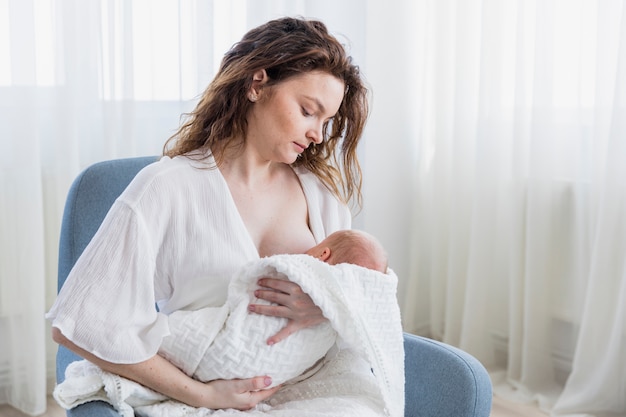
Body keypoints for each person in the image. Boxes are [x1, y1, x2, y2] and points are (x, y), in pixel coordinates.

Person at [46, 16, 374, 412]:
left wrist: (328, 304)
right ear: (257, 84)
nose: (318, 135)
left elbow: (365, 294)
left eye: (327, 122)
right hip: (203, 393)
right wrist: (203, 395)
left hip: (309, 387)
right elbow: (80, 325)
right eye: (308, 111)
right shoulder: (167, 187)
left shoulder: (319, 195)